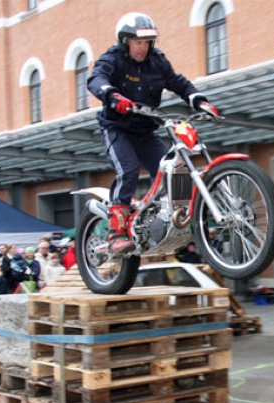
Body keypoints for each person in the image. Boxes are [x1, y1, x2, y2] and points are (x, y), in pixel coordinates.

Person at [88, 12, 218, 254]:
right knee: (128, 171)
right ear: (125, 42)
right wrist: (112, 95)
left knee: (174, 169)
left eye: (147, 42)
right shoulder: (114, 58)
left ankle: (160, 218)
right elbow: (96, 78)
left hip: (146, 131)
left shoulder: (157, 60)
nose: (143, 48)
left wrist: (198, 100)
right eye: (138, 42)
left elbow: (178, 82)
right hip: (117, 128)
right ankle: (116, 233)